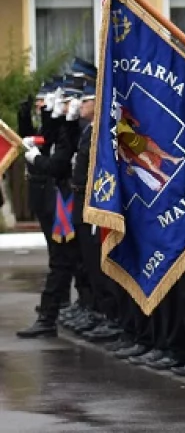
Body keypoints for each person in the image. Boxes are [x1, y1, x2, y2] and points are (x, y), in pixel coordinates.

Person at [16, 75, 84, 339]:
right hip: (61, 197)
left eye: (67, 101)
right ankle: (53, 312)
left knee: (65, 259)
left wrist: (62, 120)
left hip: (67, 197)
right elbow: (48, 139)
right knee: (64, 259)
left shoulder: (81, 127)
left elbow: (59, 161)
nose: (63, 105)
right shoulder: (68, 124)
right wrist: (51, 117)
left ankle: (52, 314)